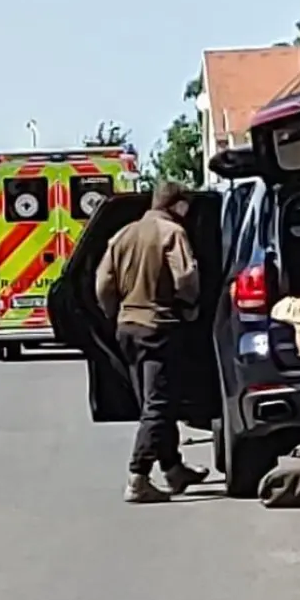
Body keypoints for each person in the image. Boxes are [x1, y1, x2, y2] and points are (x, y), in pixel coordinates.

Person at [95, 182, 211, 503]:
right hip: (159, 326)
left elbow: (103, 282)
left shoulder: (123, 234)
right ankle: (138, 476)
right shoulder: (170, 233)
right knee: (158, 405)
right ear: (179, 205)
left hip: (128, 327)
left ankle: (174, 468)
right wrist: (189, 306)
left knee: (155, 401)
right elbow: (186, 276)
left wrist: (115, 312)